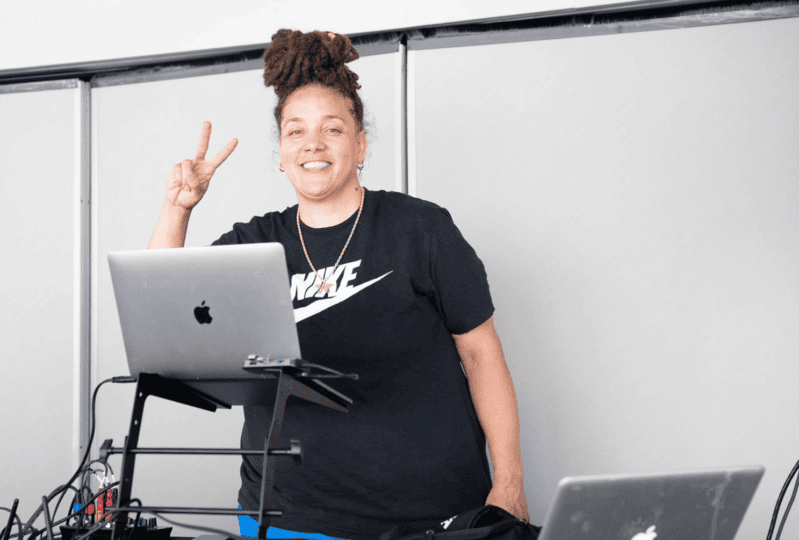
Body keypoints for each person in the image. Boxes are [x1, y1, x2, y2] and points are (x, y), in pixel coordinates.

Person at [148, 28, 529, 540]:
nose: (313, 144)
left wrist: (509, 482)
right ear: (280, 153)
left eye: (333, 129)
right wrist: (177, 207)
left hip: (434, 516)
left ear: (361, 143)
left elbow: (483, 357)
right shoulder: (252, 244)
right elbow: (162, 320)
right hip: (290, 517)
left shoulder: (423, 229)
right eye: (295, 131)